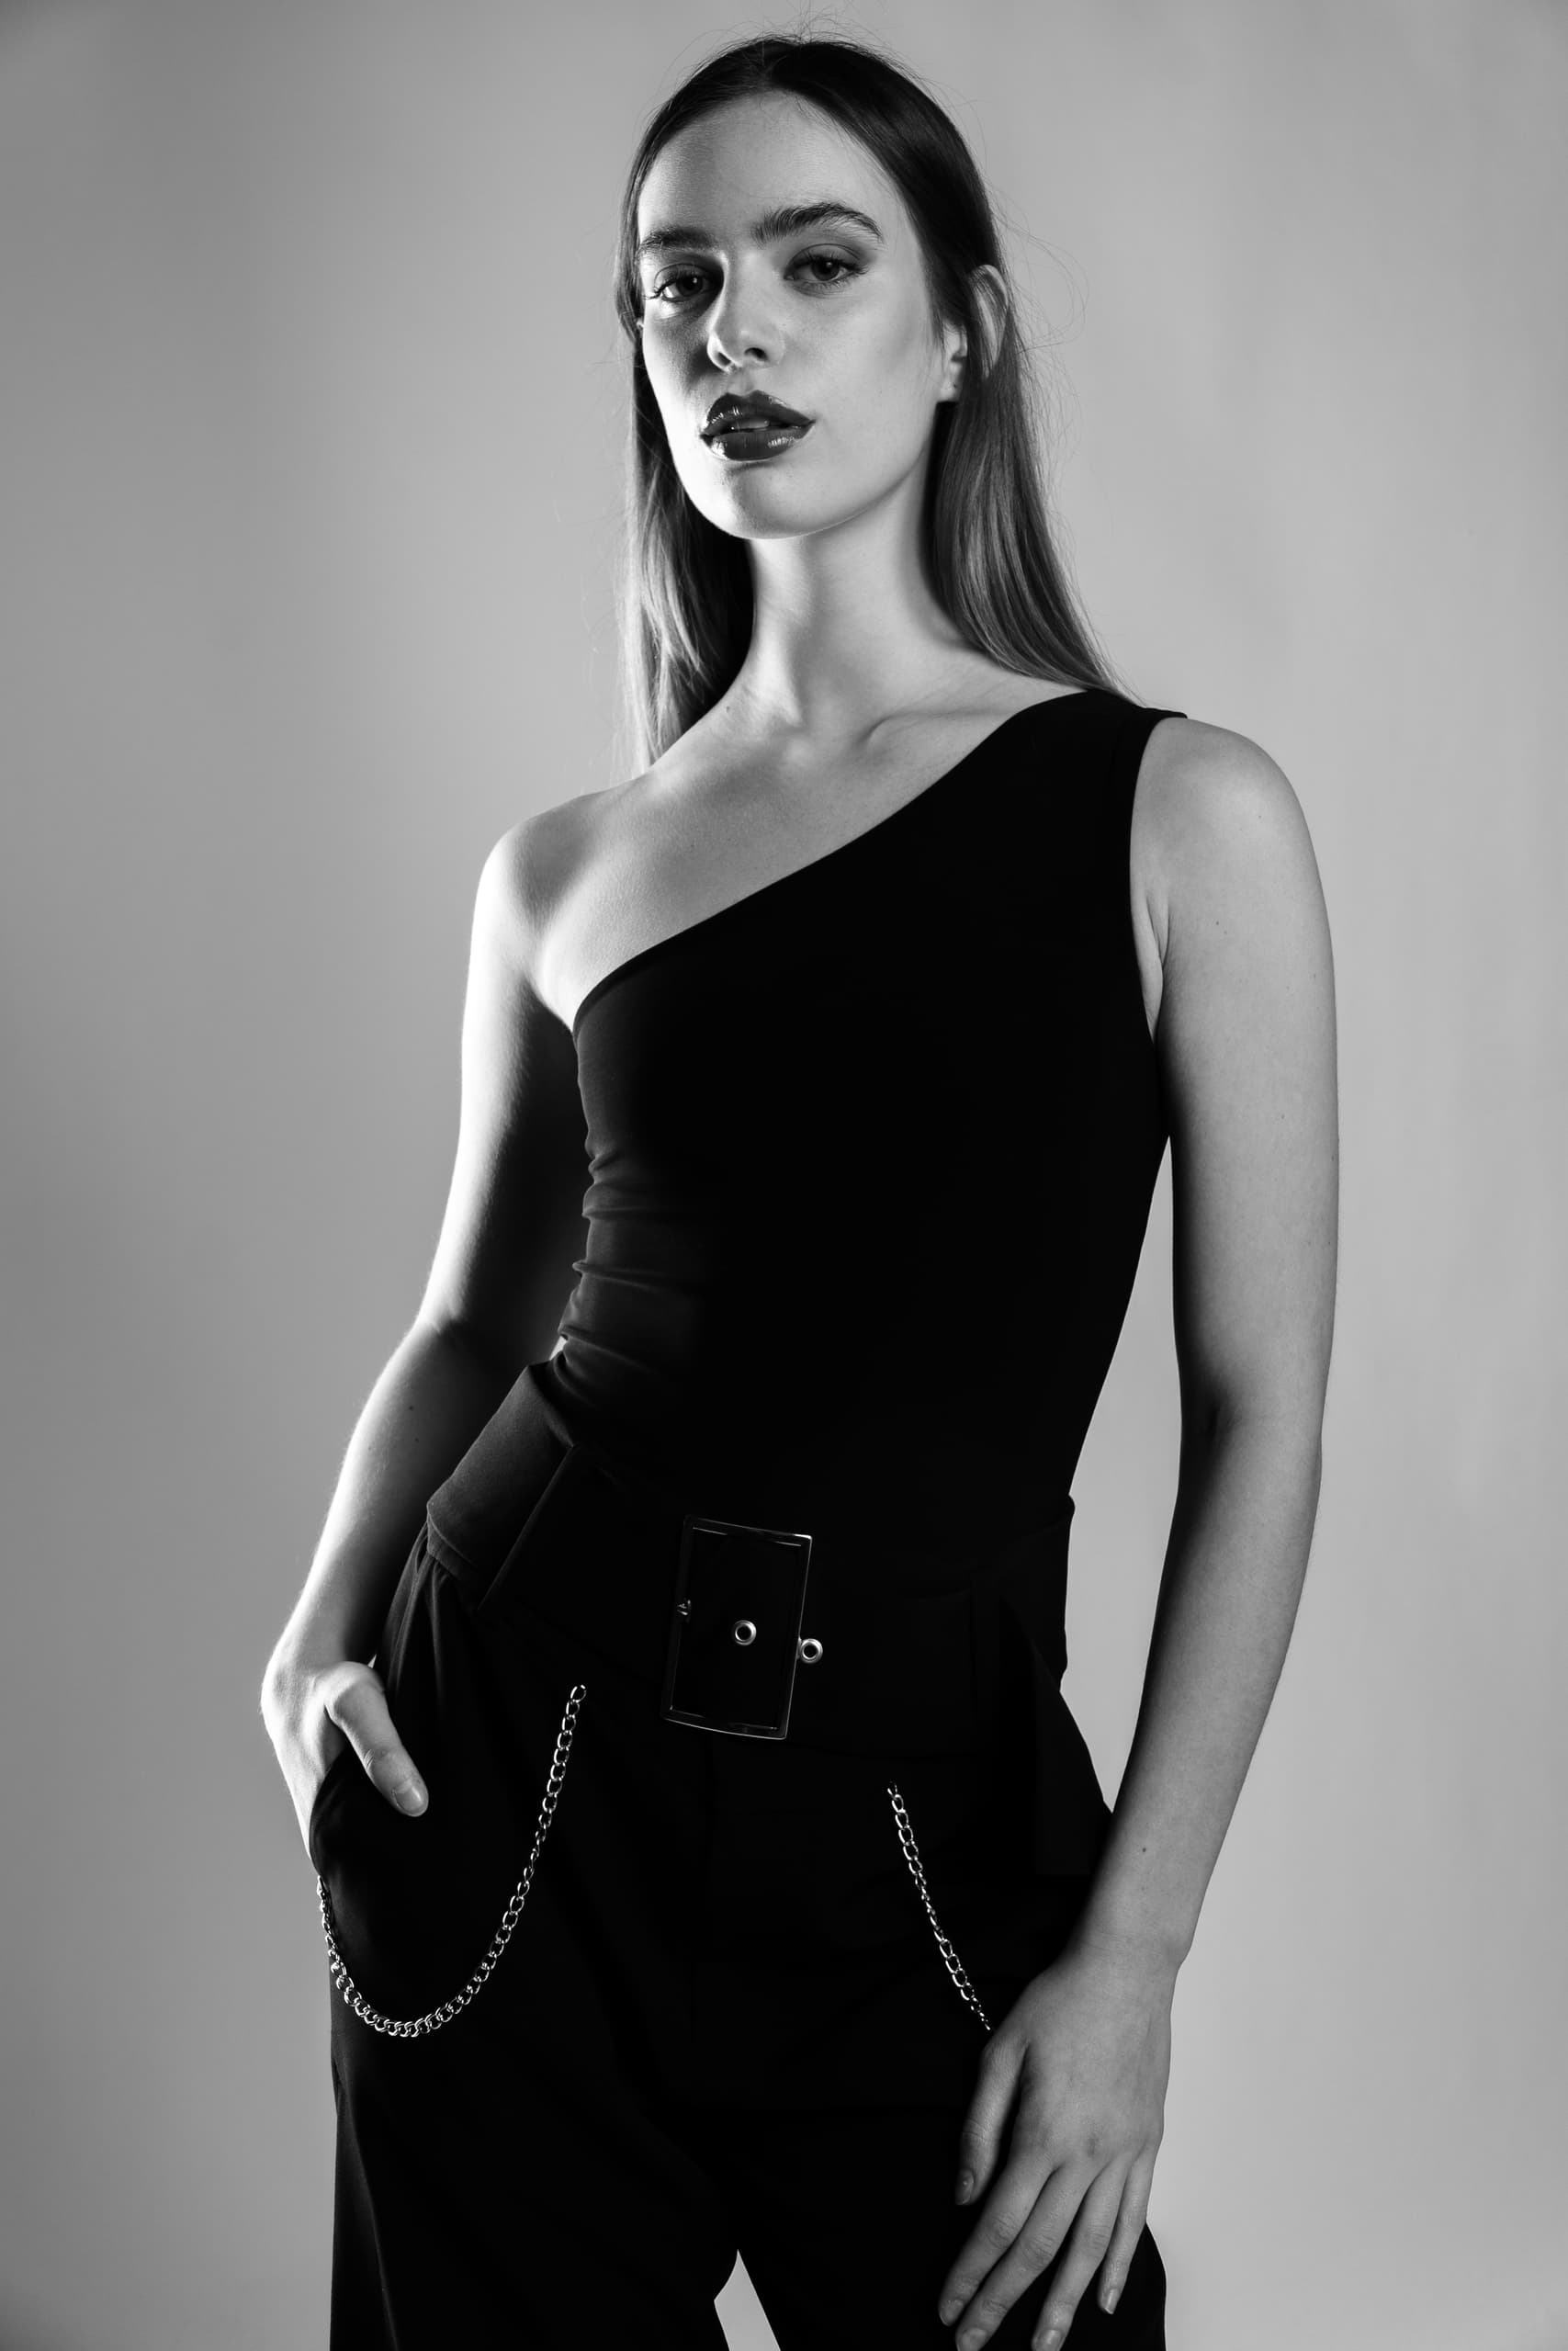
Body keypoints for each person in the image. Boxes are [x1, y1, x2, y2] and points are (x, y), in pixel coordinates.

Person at [261, 29, 1337, 2351]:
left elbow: (1260, 1406)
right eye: (672, 288)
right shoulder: (564, 865)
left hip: (926, 1826)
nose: (726, 333)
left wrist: (1132, 1959)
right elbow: (476, 1321)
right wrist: (324, 1613)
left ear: (955, 331)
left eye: (809, 265)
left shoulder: (1178, 815)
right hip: (513, 1764)